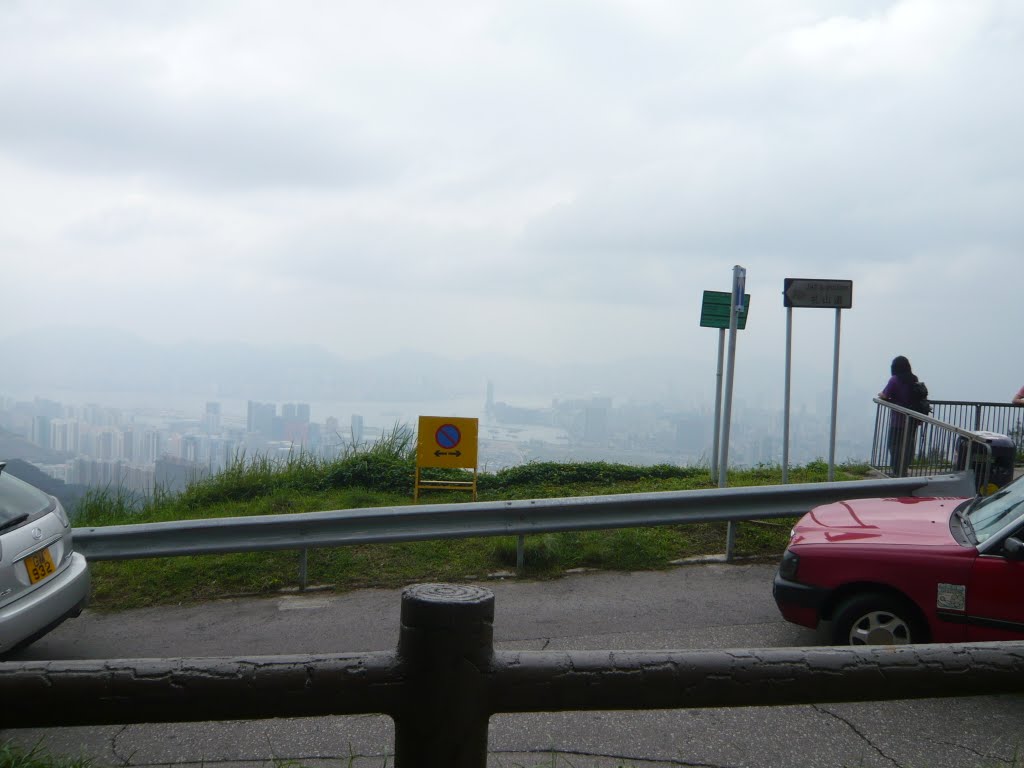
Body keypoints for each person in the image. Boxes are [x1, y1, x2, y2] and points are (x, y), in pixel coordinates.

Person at [878, 355, 921, 477]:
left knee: (894, 446)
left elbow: (885, 395)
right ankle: (904, 469)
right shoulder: (914, 379)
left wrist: (881, 394)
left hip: (898, 420)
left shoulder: (894, 380)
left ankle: (897, 471)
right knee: (907, 445)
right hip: (912, 419)